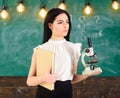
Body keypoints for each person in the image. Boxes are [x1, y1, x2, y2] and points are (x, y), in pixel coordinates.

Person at [26, 8, 101, 98]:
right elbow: (29, 81)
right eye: (60, 22)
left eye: (67, 22)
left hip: (66, 93)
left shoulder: (73, 48)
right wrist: (44, 78)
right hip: (44, 93)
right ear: (50, 25)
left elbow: (72, 78)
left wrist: (87, 74)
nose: (66, 26)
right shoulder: (40, 49)